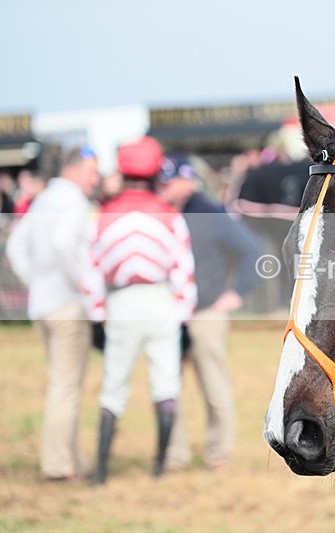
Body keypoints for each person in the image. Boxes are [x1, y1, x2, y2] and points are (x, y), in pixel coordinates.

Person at [81, 136, 196, 484]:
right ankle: (159, 467)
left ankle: (100, 471)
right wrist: (183, 317)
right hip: (161, 301)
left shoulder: (102, 215)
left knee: (114, 384)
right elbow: (184, 272)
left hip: (121, 302)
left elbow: (90, 272)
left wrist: (97, 316)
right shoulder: (170, 216)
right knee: (165, 383)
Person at [157, 154, 262, 470]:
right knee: (166, 386)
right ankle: (174, 454)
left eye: (169, 180)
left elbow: (251, 249)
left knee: (213, 386)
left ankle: (218, 453)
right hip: (169, 314)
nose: (163, 186)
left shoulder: (209, 212)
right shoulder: (159, 214)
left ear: (187, 181)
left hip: (206, 314)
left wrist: (236, 293)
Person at [5, 146, 100, 481]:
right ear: (74, 170)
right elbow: (63, 244)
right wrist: (81, 285)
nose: (96, 178)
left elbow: (15, 246)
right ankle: (58, 465)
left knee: (64, 384)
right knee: (66, 387)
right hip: (67, 305)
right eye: (92, 170)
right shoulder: (73, 201)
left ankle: (71, 460)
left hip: (43, 305)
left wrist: (36, 282)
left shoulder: (44, 199)